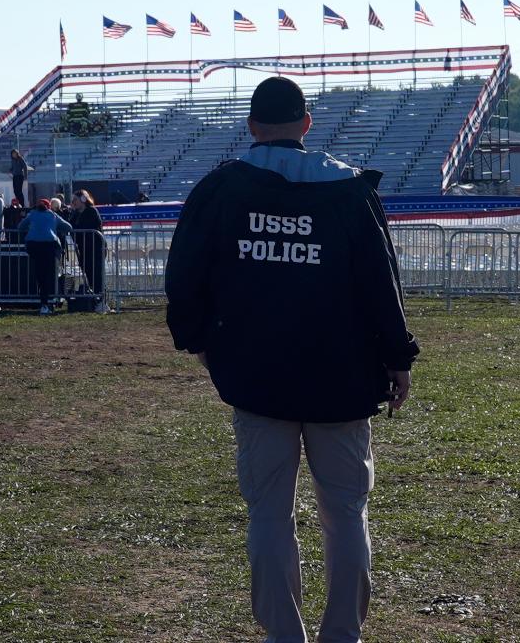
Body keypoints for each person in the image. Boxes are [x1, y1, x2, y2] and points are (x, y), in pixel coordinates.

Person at [165, 76, 418, 643]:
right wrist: (398, 357)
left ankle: (284, 635)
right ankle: (341, 635)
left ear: (251, 127)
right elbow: (382, 283)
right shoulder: (348, 190)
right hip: (343, 377)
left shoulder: (223, 189)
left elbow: (184, 275)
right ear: (306, 124)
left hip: (258, 376)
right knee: (346, 514)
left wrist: (202, 341)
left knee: (269, 516)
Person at [20, 198, 71, 315]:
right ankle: (48, 303)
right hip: (50, 246)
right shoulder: (53, 215)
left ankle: (43, 303)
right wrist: (56, 228)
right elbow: (68, 227)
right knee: (49, 276)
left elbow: (20, 226)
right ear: (49, 207)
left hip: (34, 246)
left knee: (40, 275)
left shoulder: (32, 214)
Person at [69, 189, 106, 297]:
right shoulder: (76, 214)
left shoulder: (91, 211)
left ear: (83, 199)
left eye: (75, 200)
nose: (73, 202)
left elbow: (84, 228)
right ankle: (95, 296)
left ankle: (100, 297)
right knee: (88, 273)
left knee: (96, 274)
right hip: (83, 248)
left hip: (95, 248)